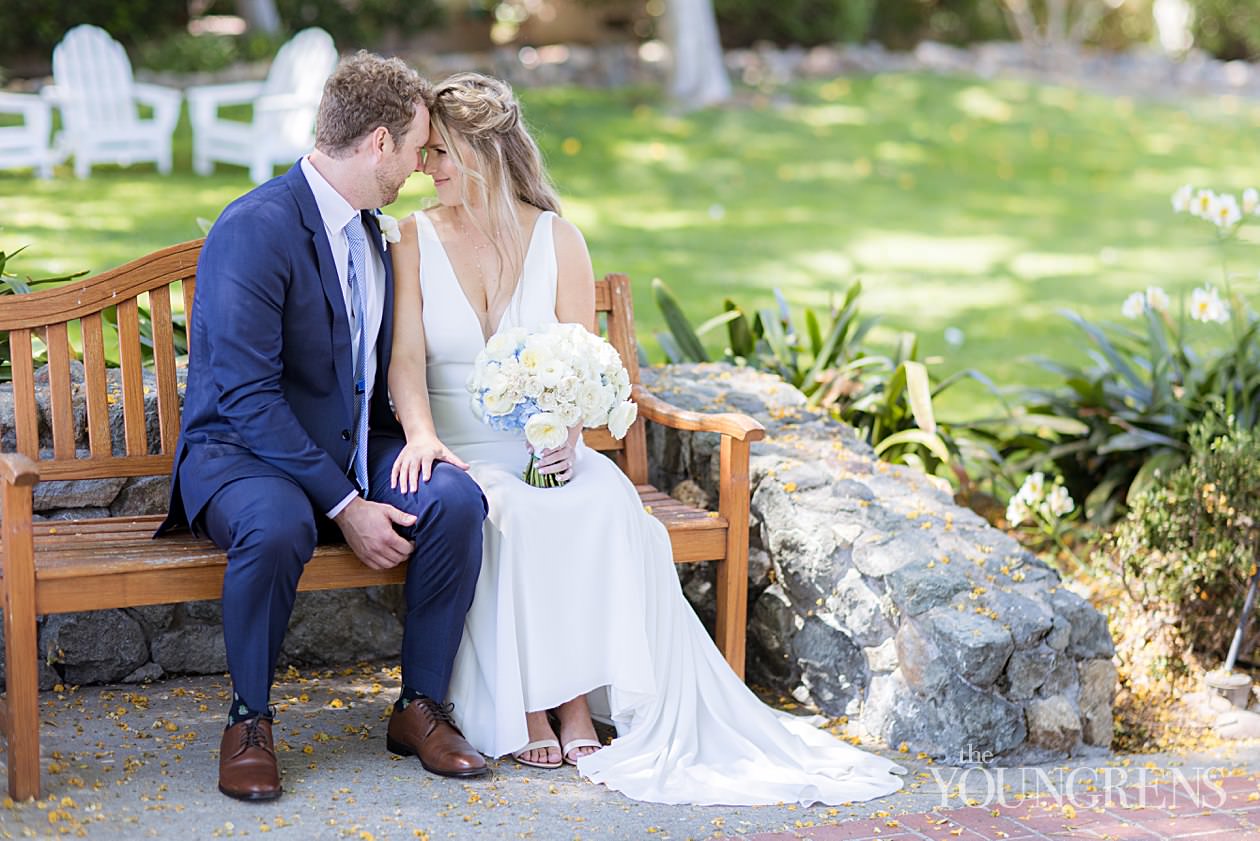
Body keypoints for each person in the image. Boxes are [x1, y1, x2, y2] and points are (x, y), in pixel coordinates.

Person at [387, 71, 906, 805]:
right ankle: (533, 701)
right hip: (458, 447)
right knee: (501, 509)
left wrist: (566, 435)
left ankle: (573, 699)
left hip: (544, 444)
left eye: (439, 152)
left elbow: (583, 364)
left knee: (599, 498)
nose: (424, 167)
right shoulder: (410, 239)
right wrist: (423, 437)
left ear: (482, 153)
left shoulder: (557, 238)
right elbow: (405, 358)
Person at [158, 53, 489, 803]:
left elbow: (375, 369)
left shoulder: (374, 231)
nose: (417, 167)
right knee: (277, 526)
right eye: (414, 150)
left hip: (347, 445)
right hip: (242, 455)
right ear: (378, 143)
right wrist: (347, 503)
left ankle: (419, 706)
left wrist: (415, 441)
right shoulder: (256, 228)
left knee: (456, 502)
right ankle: (249, 720)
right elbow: (245, 395)